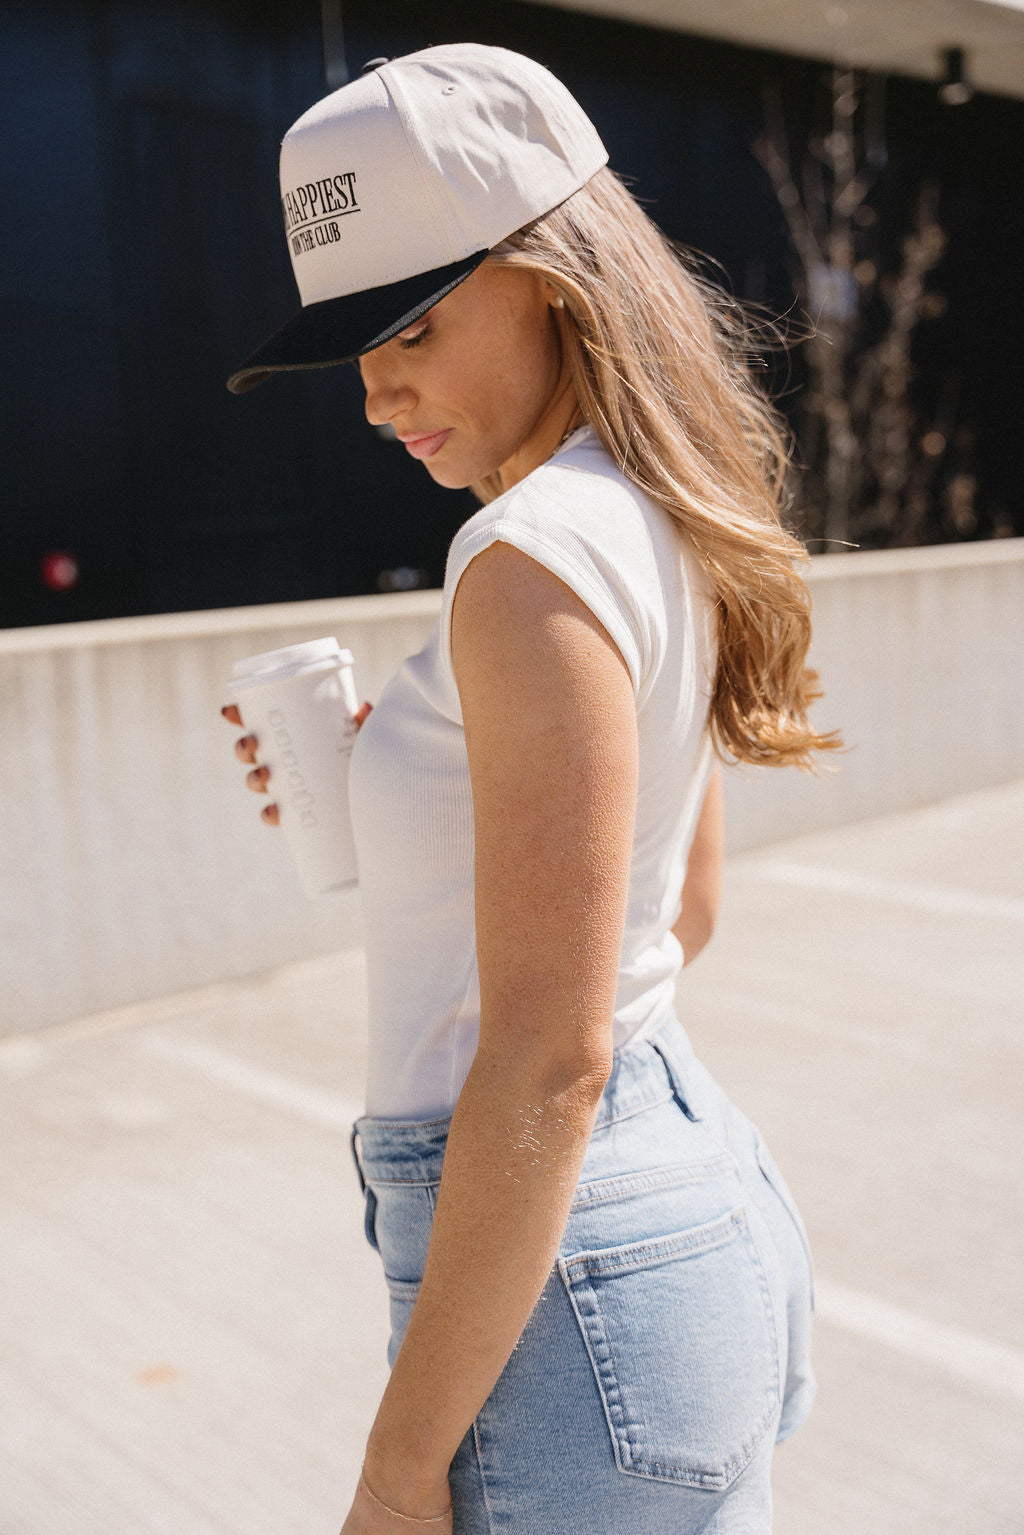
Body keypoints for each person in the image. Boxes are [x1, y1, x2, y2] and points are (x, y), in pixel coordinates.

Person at [223, 43, 840, 1534]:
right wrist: (413, 780)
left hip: (564, 1286)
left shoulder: (523, 562)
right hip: (676, 1211)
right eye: (352, 351)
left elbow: (550, 1062)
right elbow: (673, 911)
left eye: (413, 325)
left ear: (551, 276)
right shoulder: (655, 516)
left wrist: (392, 1471)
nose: (379, 395)